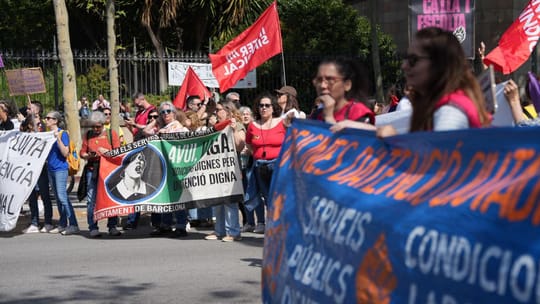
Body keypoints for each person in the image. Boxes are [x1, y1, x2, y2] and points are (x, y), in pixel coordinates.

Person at [375, 27, 491, 136]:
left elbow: (436, 154)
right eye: (406, 58)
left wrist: (394, 139)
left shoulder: (449, 111)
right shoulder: (435, 105)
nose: (404, 66)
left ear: (438, 65)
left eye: (413, 60)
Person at [244, 93, 287, 235]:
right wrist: (257, 154)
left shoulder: (282, 123)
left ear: (273, 107)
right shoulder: (253, 126)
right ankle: (274, 226)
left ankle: (282, 225)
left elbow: (291, 141)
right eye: (261, 105)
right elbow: (249, 144)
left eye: (267, 105)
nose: (264, 108)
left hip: (278, 166)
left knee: (279, 196)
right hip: (260, 165)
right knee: (267, 197)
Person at [145, 101, 189, 238]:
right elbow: (145, 131)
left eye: (168, 111)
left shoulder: (181, 129)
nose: (165, 114)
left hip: (177, 169)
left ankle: (181, 225)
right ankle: (166, 225)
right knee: (166, 197)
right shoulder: (161, 129)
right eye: (162, 112)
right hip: (164, 168)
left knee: (178, 197)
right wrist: (157, 121)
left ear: (174, 113)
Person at [204, 100, 245, 242]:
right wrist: (210, 127)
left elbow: (240, 146)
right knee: (217, 200)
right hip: (217, 168)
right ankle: (219, 230)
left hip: (231, 168)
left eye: (219, 109)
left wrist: (233, 130)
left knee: (230, 201)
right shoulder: (215, 127)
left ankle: (233, 232)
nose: (216, 112)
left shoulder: (237, 125)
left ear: (228, 111)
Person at [80, 111, 122, 237]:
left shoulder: (111, 134)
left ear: (103, 124)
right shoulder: (88, 135)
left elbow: (117, 152)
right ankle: (93, 227)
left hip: (108, 171)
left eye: (98, 126)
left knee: (111, 198)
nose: (95, 129)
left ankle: (112, 226)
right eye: (93, 126)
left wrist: (104, 153)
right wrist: (88, 155)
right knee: (91, 200)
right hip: (92, 170)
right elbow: (82, 152)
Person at [310, 56, 375, 129]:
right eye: (319, 80)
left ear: (347, 85)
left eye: (330, 80)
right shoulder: (316, 115)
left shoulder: (358, 112)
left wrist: (329, 117)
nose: (323, 86)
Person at [122, 108, 160, 230]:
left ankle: (157, 223)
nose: (152, 119)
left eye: (155, 117)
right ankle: (132, 221)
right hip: (141, 166)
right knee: (136, 194)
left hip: (156, 167)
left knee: (155, 195)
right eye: (151, 117)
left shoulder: (160, 130)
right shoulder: (141, 132)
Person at [44, 111, 80, 235]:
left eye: (49, 118)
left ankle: (74, 224)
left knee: (62, 197)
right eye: (46, 117)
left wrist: (57, 138)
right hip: (51, 169)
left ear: (56, 120)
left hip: (60, 169)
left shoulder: (63, 133)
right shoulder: (47, 134)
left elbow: (65, 152)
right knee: (58, 199)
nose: (46, 120)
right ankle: (62, 223)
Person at [21, 101, 54, 234]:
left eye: (30, 108)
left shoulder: (45, 129)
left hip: (42, 168)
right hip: (29, 168)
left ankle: (48, 222)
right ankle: (34, 222)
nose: (28, 109)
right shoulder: (24, 132)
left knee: (45, 195)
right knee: (32, 196)